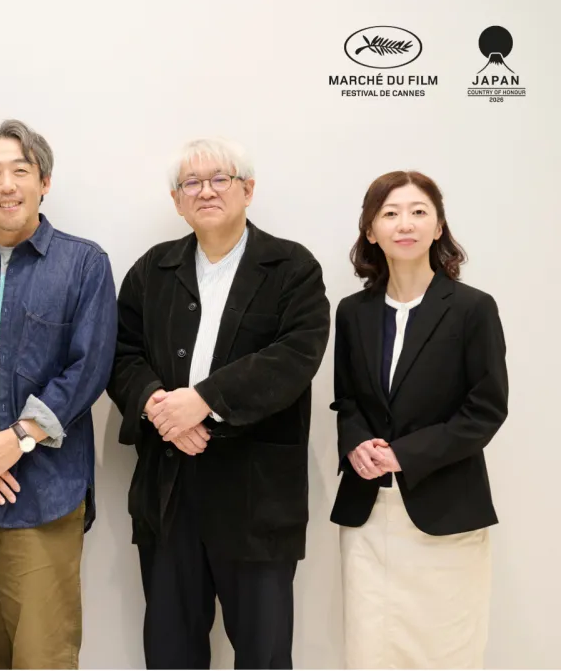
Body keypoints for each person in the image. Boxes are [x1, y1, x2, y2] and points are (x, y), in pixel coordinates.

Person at [107, 137, 331, 669]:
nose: (205, 191)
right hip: (170, 488)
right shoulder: (152, 270)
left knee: (263, 653)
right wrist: (159, 407)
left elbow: (295, 356)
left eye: (219, 179)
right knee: (170, 651)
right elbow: (120, 352)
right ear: (176, 200)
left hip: (256, 494)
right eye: (191, 183)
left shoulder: (291, 267)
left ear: (247, 190)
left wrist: (204, 401)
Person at [0, 118, 117, 669]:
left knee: (43, 658)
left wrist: (17, 439)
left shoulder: (84, 264)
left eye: (21, 170)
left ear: (44, 181)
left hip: (44, 495)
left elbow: (89, 366)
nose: (7, 184)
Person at [329, 170, 508, 669]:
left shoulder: (473, 309)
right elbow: (347, 401)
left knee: (446, 651)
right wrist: (356, 443)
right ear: (371, 230)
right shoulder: (352, 312)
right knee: (370, 650)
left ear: (438, 226)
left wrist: (403, 455)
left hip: (446, 513)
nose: (404, 223)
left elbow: (485, 410)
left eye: (418, 212)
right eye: (390, 213)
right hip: (367, 514)